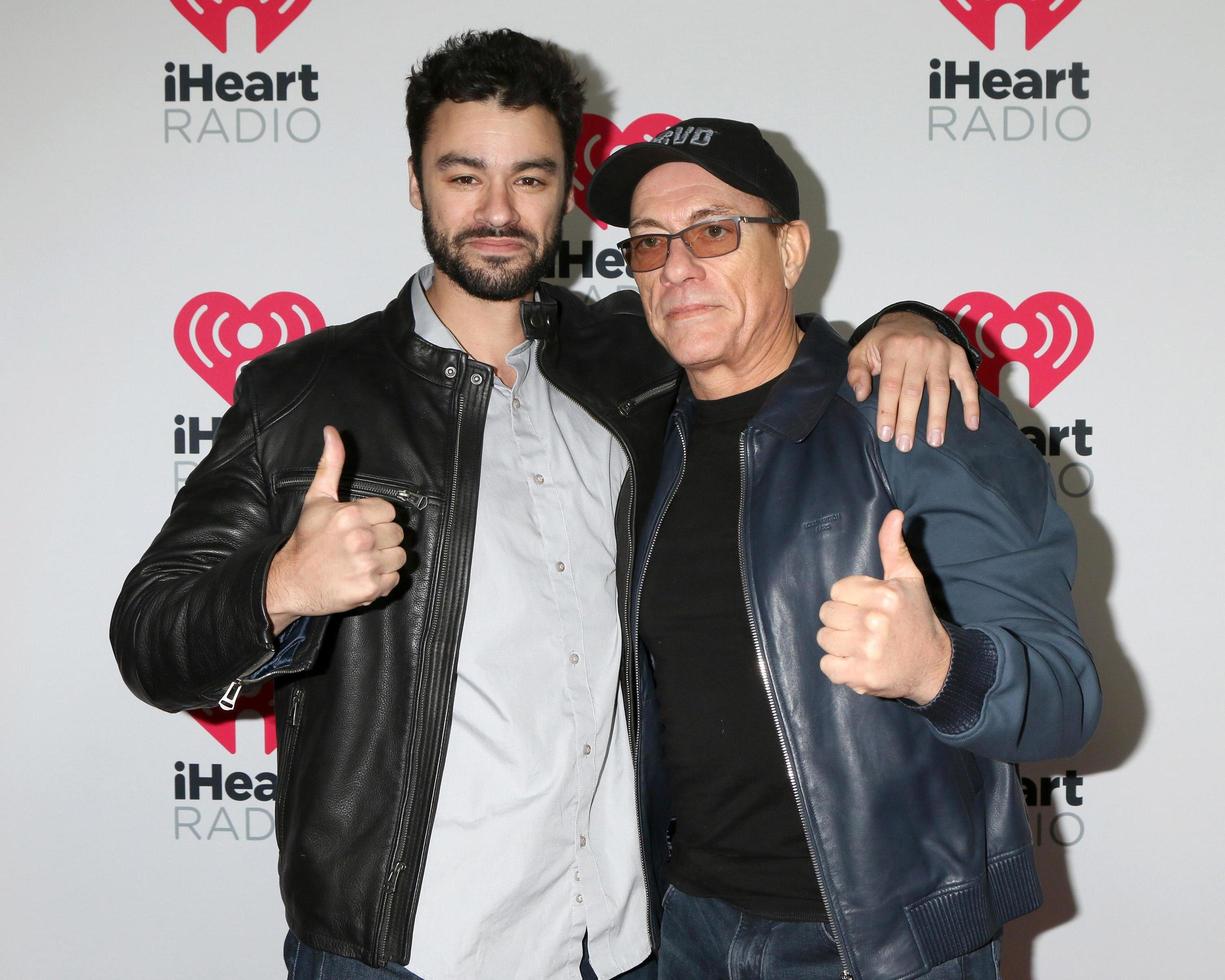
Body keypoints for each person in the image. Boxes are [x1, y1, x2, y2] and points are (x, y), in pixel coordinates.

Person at [111, 34, 979, 980]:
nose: (495, 212)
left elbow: (763, 332)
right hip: (400, 947)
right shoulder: (307, 392)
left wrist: (912, 327)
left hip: (617, 943)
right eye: (462, 176)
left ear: (566, 189)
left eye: (528, 179)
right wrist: (280, 588)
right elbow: (150, 639)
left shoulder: (630, 364)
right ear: (415, 183)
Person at [584, 118, 1102, 980]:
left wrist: (940, 669)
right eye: (646, 245)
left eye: (713, 231)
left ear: (788, 250)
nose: (676, 267)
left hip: (880, 943)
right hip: (683, 933)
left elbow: (1063, 698)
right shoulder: (636, 431)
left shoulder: (916, 415)